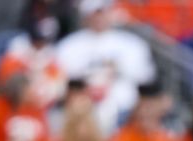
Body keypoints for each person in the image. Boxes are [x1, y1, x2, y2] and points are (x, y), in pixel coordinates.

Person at [55, 0, 157, 133]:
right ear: (86, 15)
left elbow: (146, 77)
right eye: (95, 13)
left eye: (103, 12)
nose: (99, 18)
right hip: (82, 114)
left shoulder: (132, 44)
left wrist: (118, 69)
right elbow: (59, 82)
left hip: (125, 112)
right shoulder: (68, 46)